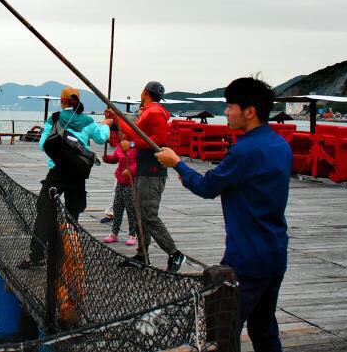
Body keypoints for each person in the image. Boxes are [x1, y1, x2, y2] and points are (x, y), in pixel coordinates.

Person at [155, 77, 291, 352]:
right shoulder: (280, 146)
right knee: (264, 330)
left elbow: (207, 187)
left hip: (247, 259)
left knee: (223, 331)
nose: (227, 112)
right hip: (275, 253)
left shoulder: (245, 151)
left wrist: (177, 164)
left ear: (249, 111)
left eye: (231, 106)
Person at [17, 86, 110, 269]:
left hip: (57, 171)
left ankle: (37, 256)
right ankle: (68, 255)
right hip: (78, 173)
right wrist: (106, 123)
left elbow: (43, 144)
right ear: (78, 101)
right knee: (72, 214)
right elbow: (100, 138)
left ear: (62, 101)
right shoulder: (88, 121)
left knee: (44, 210)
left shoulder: (55, 118)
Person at [109, 81, 184, 272]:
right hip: (144, 170)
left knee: (149, 215)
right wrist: (118, 119)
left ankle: (175, 254)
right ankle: (142, 255)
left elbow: (157, 141)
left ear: (144, 92)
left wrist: (132, 145)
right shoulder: (149, 111)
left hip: (152, 172)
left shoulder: (154, 112)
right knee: (141, 213)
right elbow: (134, 132)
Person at [101, 139, 138, 246]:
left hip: (132, 182)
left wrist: (131, 170)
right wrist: (107, 158)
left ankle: (132, 235)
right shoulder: (120, 145)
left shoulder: (136, 145)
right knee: (117, 207)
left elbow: (141, 163)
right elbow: (115, 158)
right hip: (120, 180)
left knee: (131, 209)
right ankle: (114, 233)